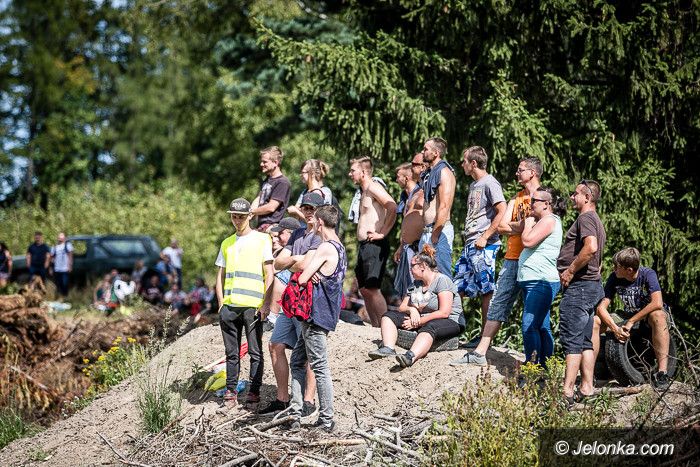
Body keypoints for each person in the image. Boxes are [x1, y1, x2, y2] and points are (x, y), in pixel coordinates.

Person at [453, 157, 542, 364]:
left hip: (534, 260)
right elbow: (502, 226)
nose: (516, 173)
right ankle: (480, 352)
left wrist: (516, 226)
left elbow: (543, 223)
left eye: (520, 170)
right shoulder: (516, 199)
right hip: (512, 258)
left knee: (533, 315)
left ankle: (537, 363)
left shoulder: (544, 197)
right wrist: (524, 225)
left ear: (532, 172)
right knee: (498, 304)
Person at [287, 205, 347, 432]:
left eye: (315, 221)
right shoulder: (340, 247)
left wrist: (304, 270)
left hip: (315, 314)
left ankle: (326, 419)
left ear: (320, 223)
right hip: (327, 313)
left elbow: (302, 277)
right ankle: (295, 412)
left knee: (320, 366)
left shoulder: (325, 247)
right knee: (297, 361)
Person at [259, 199, 321, 416]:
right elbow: (278, 263)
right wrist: (296, 258)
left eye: (312, 208)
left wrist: (295, 261)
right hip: (291, 299)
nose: (308, 212)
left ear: (320, 211)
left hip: (310, 300)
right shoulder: (297, 235)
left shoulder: (320, 236)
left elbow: (304, 265)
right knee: (275, 345)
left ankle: (308, 400)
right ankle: (282, 399)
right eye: (305, 208)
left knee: (310, 352)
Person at [215, 198, 274, 408]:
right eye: (234, 216)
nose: (237, 220)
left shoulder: (262, 239)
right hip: (230, 307)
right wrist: (221, 303)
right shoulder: (227, 243)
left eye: (241, 216)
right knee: (231, 353)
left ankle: (254, 393)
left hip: (253, 306)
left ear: (250, 216)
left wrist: (266, 304)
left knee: (255, 352)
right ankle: (231, 392)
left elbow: (269, 273)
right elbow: (220, 276)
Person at [369, 245, 465, 367]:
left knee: (430, 326)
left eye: (412, 266)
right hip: (421, 319)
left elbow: (444, 312)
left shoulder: (442, 280)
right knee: (389, 315)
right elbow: (402, 307)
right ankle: (388, 348)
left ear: (423, 266)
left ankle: (410, 357)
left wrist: (418, 322)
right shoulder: (415, 284)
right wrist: (412, 310)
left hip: (450, 321)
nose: (410, 270)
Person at [594, 247, 672, 390]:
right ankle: (592, 371)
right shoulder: (614, 277)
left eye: (617, 267)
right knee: (596, 322)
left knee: (658, 315)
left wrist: (631, 321)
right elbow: (601, 308)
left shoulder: (647, 274)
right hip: (627, 314)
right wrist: (615, 328)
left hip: (648, 314)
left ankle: (662, 373)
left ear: (629, 270)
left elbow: (657, 303)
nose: (613, 269)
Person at [557, 180, 606, 404]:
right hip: (592, 286)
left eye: (575, 193)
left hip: (580, 287)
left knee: (572, 340)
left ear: (587, 197)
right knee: (586, 340)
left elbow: (591, 247)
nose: (571, 197)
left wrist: (570, 271)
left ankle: (567, 392)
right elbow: (598, 257)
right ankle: (587, 387)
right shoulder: (596, 220)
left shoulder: (585, 218)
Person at [453, 146, 506, 339]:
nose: (462, 165)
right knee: (457, 287)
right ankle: (453, 331)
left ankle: (486, 338)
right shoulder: (474, 185)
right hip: (470, 244)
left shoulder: (490, 183)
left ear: (473, 163)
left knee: (486, 290)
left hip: (484, 244)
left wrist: (485, 236)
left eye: (464, 161)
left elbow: (502, 209)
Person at [349, 157, 397, 327]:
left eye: (353, 170)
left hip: (374, 244)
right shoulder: (362, 191)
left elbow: (392, 206)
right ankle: (376, 326)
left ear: (363, 172)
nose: (350, 174)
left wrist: (382, 233)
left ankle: (386, 327)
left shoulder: (373, 187)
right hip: (365, 245)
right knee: (364, 289)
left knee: (373, 288)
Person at [419, 137, 456, 278]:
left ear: (436, 153)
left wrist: (434, 236)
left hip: (439, 233)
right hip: (428, 232)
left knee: (441, 277)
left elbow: (444, 206)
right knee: (426, 279)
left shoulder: (444, 172)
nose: (422, 152)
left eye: (425, 149)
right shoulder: (431, 173)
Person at [392, 160, 425, 299]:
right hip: (407, 246)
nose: (396, 180)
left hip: (418, 246)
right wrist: (401, 246)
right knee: (406, 288)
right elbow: (406, 223)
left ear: (406, 178)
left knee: (415, 286)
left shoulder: (420, 192)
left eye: (398, 176)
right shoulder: (405, 197)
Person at [251, 146, 292, 231]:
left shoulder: (282, 182)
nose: (261, 164)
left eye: (265, 162)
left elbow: (271, 207)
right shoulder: (267, 180)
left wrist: (252, 211)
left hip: (272, 228)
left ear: (275, 162)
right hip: (261, 226)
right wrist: (249, 213)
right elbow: (259, 198)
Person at [50, 232, 74, 298]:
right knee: (58, 284)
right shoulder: (54, 247)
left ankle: (65, 296)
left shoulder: (68, 245)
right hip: (57, 269)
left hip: (65, 268)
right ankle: (59, 297)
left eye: (62, 237)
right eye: (59, 238)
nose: (60, 239)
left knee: (65, 283)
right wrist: (51, 268)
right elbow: (52, 258)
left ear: (64, 238)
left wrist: (70, 266)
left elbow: (70, 256)